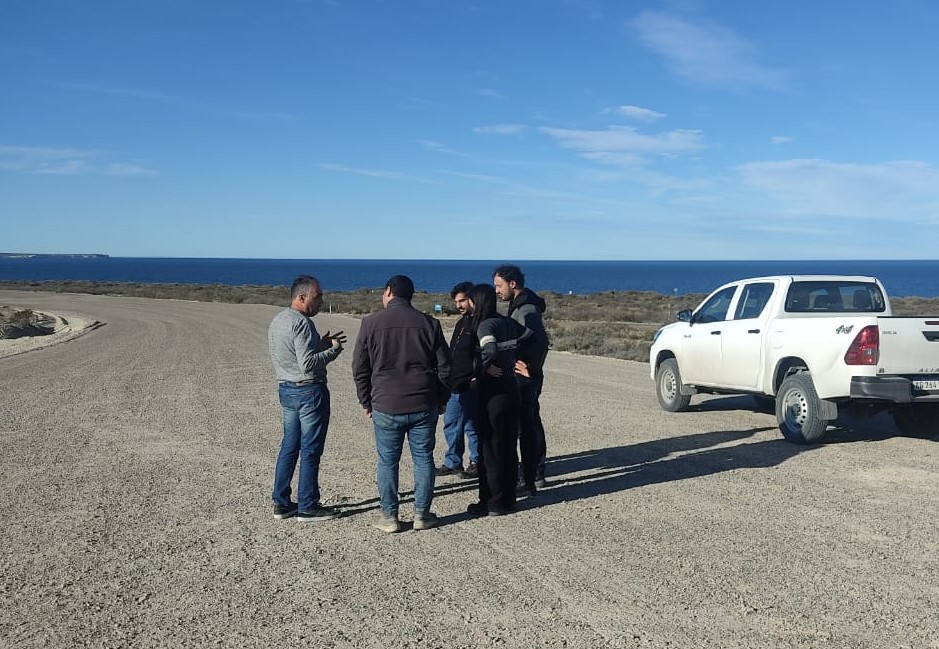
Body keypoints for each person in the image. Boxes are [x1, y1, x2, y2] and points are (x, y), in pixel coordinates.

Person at [352, 275, 452, 533]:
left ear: (388, 292)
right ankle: (422, 514)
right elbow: (445, 367)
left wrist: (366, 400)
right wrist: (441, 399)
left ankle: (390, 516)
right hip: (423, 402)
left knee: (387, 460)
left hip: (385, 403)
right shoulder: (430, 324)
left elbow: (359, 368)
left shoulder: (370, 323)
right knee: (423, 459)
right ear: (411, 295)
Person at [267, 275, 346, 522]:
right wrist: (333, 351)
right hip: (309, 392)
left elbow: (295, 354)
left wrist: (319, 344)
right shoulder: (301, 323)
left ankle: (281, 502)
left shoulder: (278, 320)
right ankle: (308, 506)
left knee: (289, 447)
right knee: (310, 449)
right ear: (301, 298)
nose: (321, 301)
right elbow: (308, 364)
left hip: (287, 389)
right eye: (317, 296)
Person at [466, 283, 531, 517]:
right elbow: (529, 336)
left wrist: (479, 370)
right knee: (508, 446)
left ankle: (492, 502)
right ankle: (508, 499)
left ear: (477, 302)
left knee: (491, 448)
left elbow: (489, 349)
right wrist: (514, 359)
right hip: (511, 390)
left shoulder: (486, 325)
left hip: (492, 393)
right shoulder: (507, 322)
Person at [493, 264, 549, 494]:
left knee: (529, 424)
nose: (496, 290)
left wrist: (530, 369)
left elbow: (538, 341)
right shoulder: (519, 306)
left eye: (499, 285)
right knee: (528, 422)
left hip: (526, 378)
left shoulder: (526, 310)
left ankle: (533, 473)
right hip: (523, 376)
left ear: (512, 284)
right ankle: (532, 472)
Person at [436, 281, 481, 479]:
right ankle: (453, 461)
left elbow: (483, 354)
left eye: (462, 300)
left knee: (472, 425)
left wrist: (477, 376)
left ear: (473, 299)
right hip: (455, 382)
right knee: (452, 422)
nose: (459, 305)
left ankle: (477, 461)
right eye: (456, 301)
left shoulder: (480, 324)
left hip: (471, 384)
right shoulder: (461, 323)